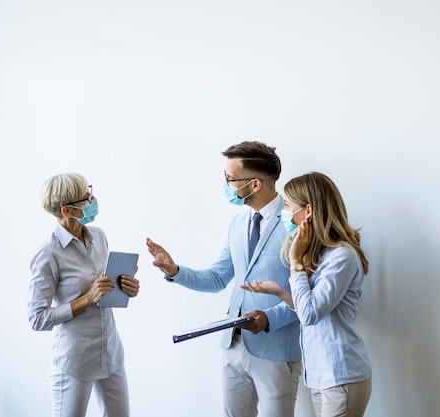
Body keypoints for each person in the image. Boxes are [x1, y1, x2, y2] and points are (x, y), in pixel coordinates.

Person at [146, 141, 302, 417]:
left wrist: (269, 318)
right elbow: (218, 278)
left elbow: (305, 293)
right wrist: (174, 270)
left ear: (255, 184)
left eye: (230, 179)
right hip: (233, 345)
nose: (227, 184)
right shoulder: (238, 223)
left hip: (276, 348)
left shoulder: (295, 222)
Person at [241, 171, 372, 417]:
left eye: (288, 206)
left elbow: (310, 314)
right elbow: (308, 308)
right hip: (322, 376)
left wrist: (295, 263)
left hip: (340, 375)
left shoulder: (341, 256)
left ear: (307, 210)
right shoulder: (323, 255)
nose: (285, 214)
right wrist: (280, 292)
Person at [28, 173, 140, 417]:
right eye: (86, 197)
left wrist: (125, 288)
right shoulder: (48, 254)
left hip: (110, 354)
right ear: (67, 211)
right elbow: (37, 318)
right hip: (74, 363)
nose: (93, 199)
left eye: (90, 192)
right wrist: (86, 299)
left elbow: (104, 292)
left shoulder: (98, 236)